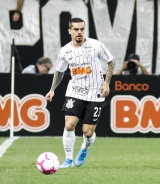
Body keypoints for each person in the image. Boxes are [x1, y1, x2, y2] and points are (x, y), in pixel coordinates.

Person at [45, 17, 115, 168]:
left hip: (95, 93)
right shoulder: (65, 51)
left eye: (82, 29)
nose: (79, 32)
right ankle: (68, 159)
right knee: (69, 125)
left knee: (88, 132)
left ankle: (84, 147)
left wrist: (107, 82)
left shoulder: (95, 45)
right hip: (75, 91)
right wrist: (52, 90)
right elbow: (59, 72)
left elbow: (111, 61)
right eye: (76, 29)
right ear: (69, 30)